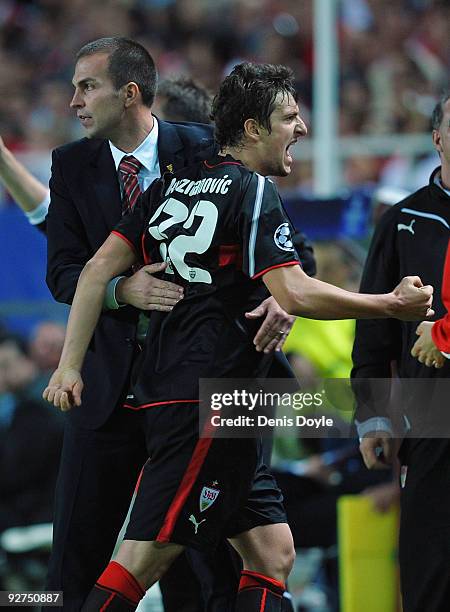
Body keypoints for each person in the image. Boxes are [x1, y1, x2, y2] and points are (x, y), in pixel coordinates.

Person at [44, 61, 432, 612]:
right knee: (142, 560)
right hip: (208, 403)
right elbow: (295, 292)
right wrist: (389, 305)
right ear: (252, 128)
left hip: (193, 395)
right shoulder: (251, 190)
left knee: (272, 553)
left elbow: (91, 273)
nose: (299, 129)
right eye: (289, 117)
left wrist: (68, 365)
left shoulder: (167, 186)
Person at [44, 37, 316, 612]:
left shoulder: (206, 148)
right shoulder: (70, 166)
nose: (73, 102)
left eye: (87, 86)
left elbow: (293, 252)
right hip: (110, 391)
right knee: (77, 561)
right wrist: (123, 291)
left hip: (214, 386)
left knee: (223, 560)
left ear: (131, 92)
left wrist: (281, 303)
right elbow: (68, 273)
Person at [352, 90, 450, 612]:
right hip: (430, 418)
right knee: (429, 566)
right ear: (437, 139)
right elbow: (373, 333)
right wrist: (371, 418)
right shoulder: (403, 222)